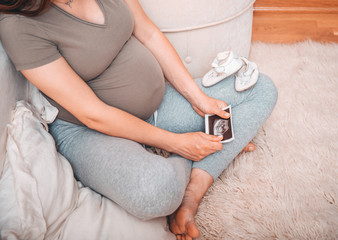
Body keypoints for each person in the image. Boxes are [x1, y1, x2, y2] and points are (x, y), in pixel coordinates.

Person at [0, 0, 277, 239]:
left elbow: (148, 34)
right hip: (89, 131)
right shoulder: (18, 25)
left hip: (157, 108)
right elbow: (91, 113)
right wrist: (176, 144)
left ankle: (194, 189)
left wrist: (197, 98)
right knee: (156, 193)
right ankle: (194, 154)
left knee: (260, 89)